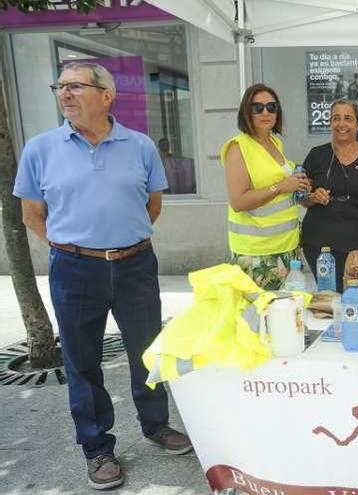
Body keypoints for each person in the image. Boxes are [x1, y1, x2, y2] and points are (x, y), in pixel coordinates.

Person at [13, 62, 191, 491]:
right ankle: (97, 449)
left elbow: (152, 205)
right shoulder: (40, 148)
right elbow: (32, 215)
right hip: (75, 268)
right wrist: (73, 247)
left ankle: (155, 425)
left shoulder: (141, 145)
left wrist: (120, 242)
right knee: (82, 361)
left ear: (106, 94)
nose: (65, 94)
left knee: (148, 352)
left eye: (76, 86)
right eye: (61, 86)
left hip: (135, 264)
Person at [220, 83, 311, 290]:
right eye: (257, 107)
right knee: (262, 317)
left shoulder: (275, 143)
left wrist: (300, 186)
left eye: (272, 107)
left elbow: (281, 191)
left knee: (287, 315)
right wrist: (281, 186)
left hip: (287, 248)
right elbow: (238, 201)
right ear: (246, 112)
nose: (265, 112)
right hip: (257, 254)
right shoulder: (238, 148)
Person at [301, 99, 358, 291]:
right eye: (336, 118)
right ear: (329, 123)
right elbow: (301, 197)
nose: (341, 124)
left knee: (357, 298)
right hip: (318, 245)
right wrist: (313, 197)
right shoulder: (316, 155)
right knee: (329, 300)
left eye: (347, 118)